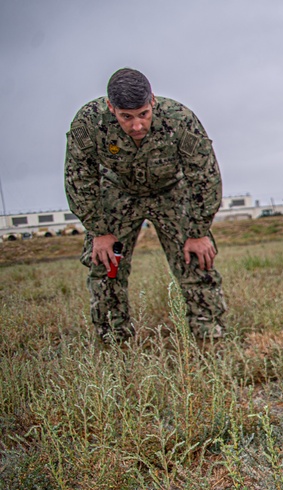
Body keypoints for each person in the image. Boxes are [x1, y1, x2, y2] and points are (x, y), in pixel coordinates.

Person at [65, 68, 225, 342]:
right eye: (126, 117)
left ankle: (209, 335)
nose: (137, 125)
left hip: (171, 192)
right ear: (110, 107)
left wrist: (198, 232)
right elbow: (79, 178)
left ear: (152, 102)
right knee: (105, 263)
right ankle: (114, 341)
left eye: (143, 114)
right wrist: (99, 231)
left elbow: (205, 177)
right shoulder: (90, 122)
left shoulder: (180, 120)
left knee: (197, 259)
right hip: (118, 191)